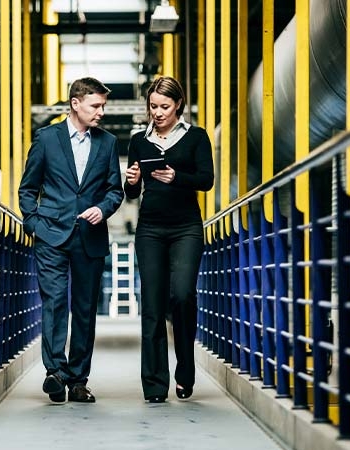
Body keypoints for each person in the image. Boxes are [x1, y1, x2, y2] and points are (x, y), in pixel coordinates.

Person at [18, 77, 124, 403]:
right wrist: (34, 223)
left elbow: (115, 190)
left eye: (103, 106)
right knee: (54, 304)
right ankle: (55, 372)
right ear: (75, 104)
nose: (101, 112)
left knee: (84, 310)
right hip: (51, 234)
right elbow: (27, 188)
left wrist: (102, 209)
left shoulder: (107, 143)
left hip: (89, 236)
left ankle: (78, 380)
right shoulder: (47, 139)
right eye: (96, 105)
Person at [124, 76, 214, 403]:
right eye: (153, 106)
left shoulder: (196, 138)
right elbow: (132, 193)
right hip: (149, 228)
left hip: (186, 226)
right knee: (152, 304)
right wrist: (132, 181)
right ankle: (154, 384)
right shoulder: (139, 141)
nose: (157, 113)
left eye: (164, 106)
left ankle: (186, 370)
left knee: (182, 295)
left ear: (178, 105)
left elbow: (206, 180)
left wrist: (177, 177)